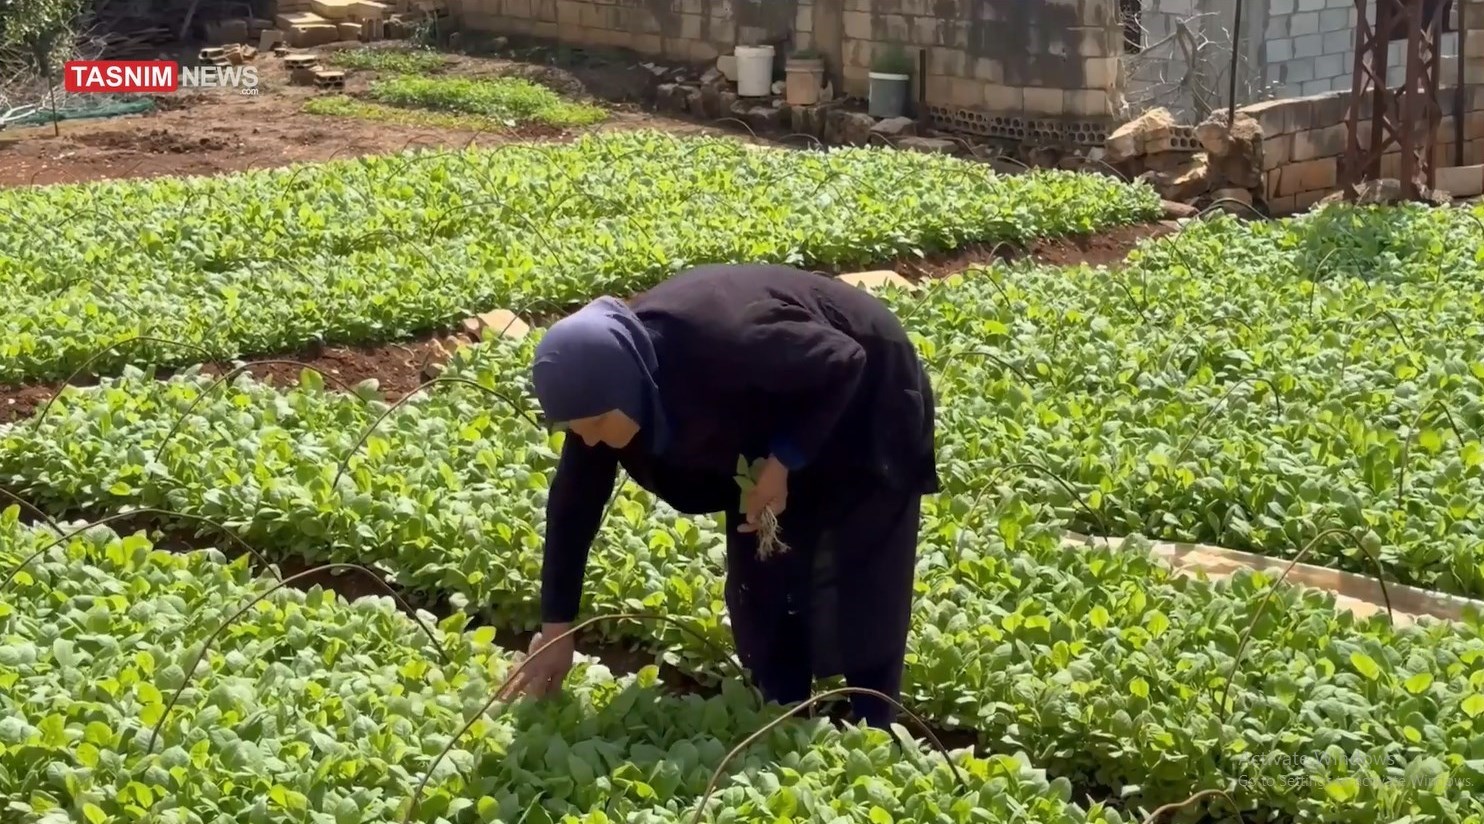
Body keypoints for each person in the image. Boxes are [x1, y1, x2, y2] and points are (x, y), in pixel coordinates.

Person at [503, 263, 938, 728]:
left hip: (866, 392)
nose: (587, 441)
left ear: (625, 392)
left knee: (860, 574)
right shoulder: (600, 393)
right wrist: (556, 629)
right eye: (576, 430)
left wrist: (783, 460)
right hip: (778, 410)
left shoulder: (724, 341)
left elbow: (843, 360)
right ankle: (783, 714)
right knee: (764, 577)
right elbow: (574, 506)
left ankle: (875, 722)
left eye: (593, 427)